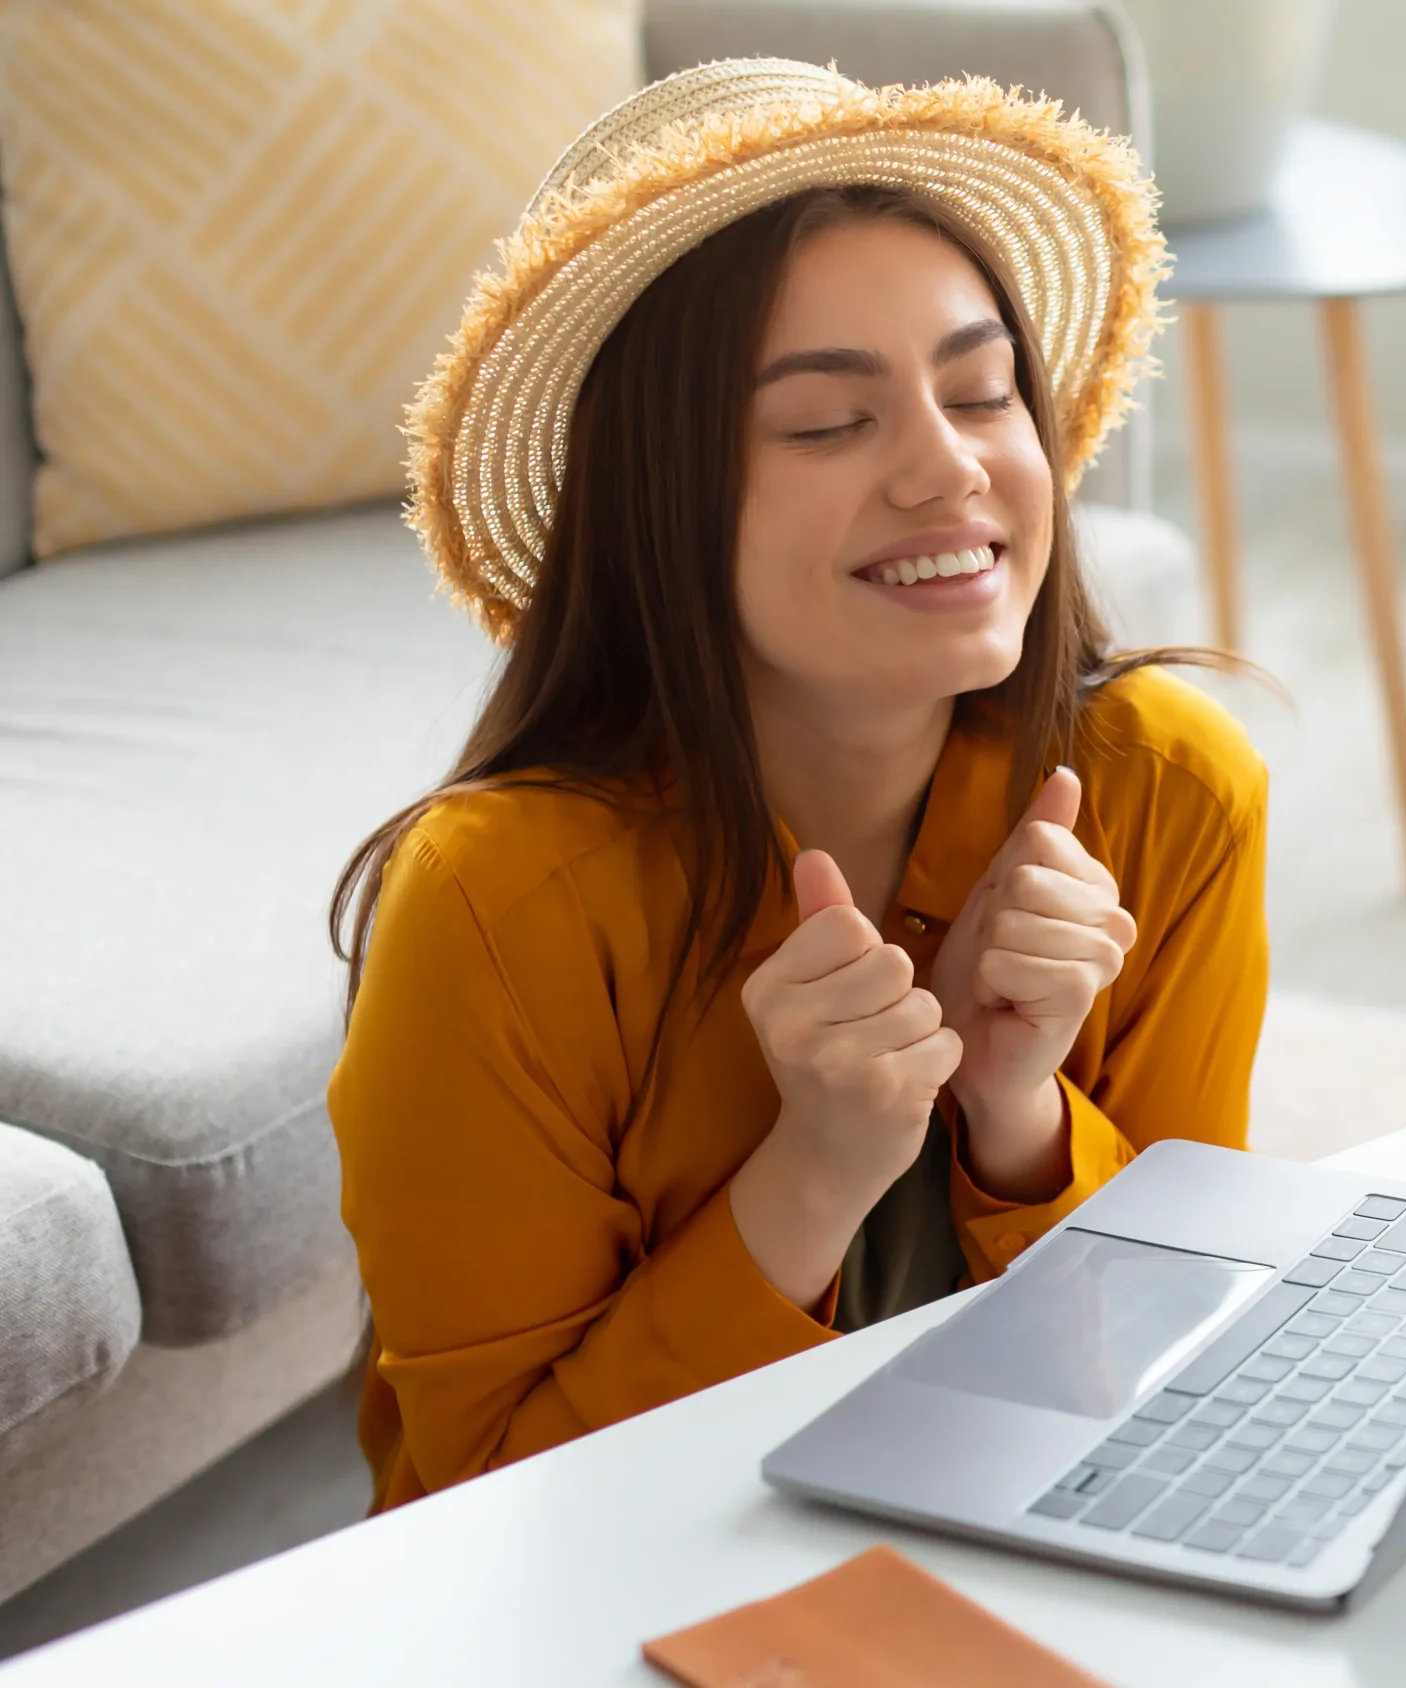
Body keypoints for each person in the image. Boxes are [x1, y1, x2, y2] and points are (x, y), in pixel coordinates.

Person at [327, 63, 1266, 1512]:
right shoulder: (492, 909)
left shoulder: (1170, 791)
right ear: (663, 508)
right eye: (830, 423)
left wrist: (1021, 1122)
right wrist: (813, 1175)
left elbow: (1192, 1384)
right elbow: (485, 1515)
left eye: (981, 391)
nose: (947, 468)